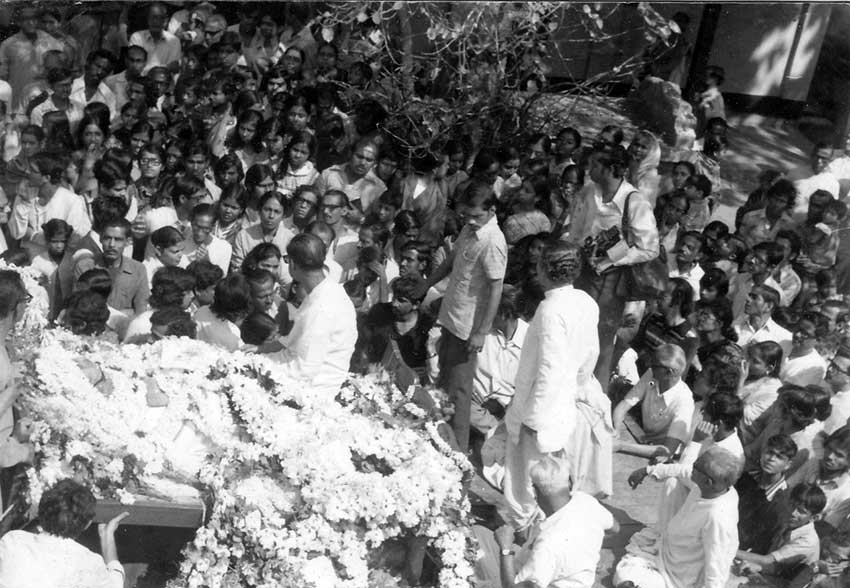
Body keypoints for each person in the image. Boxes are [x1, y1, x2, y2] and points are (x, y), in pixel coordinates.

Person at [503, 241, 611, 528]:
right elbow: (591, 354)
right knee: (552, 473)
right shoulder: (586, 302)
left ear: (543, 269)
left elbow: (549, 368)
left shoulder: (550, 309)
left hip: (542, 408)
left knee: (528, 478)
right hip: (565, 402)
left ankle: (527, 531)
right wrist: (574, 387)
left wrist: (532, 418)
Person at [415, 181, 507, 452]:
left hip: (468, 327)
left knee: (459, 392)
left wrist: (481, 331)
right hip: (452, 318)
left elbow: (496, 287)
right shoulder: (470, 228)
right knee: (445, 383)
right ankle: (440, 439)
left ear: (491, 210)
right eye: (466, 215)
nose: (470, 220)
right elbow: (451, 261)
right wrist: (427, 284)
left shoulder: (493, 241)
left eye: (476, 215)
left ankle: (457, 451)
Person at [569, 143, 660, 394]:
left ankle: (593, 400)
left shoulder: (634, 201)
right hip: (583, 272)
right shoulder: (589, 192)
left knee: (601, 340)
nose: (589, 168)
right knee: (575, 331)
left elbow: (650, 248)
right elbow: (577, 229)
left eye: (596, 164)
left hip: (612, 280)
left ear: (611, 169)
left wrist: (612, 259)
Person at [475, 455, 616, 588]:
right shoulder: (586, 500)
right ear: (569, 482)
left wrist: (505, 549)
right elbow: (615, 528)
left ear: (535, 491)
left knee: (475, 549)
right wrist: (585, 553)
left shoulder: (548, 544)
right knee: (479, 533)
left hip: (533, 579)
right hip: (563, 572)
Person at [614, 446, 742, 588]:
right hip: (664, 550)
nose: (692, 467)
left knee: (627, 580)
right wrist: (647, 470)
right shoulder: (714, 487)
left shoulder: (718, 517)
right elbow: (681, 470)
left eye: (696, 466)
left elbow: (718, 565)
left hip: (680, 577)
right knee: (624, 575)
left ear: (708, 482)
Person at [268, 233, 357, 399]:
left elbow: (303, 369)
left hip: (313, 393)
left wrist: (261, 362)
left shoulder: (321, 307)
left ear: (293, 264)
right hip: (309, 379)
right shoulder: (328, 290)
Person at [0, 479, 128, 587]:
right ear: (88, 524)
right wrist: (107, 537)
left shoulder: (12, 540)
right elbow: (115, 584)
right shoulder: (88, 561)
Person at [612, 344, 694, 461]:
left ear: (669, 372)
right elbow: (624, 404)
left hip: (661, 458)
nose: (649, 366)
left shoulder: (684, 401)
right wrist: (616, 429)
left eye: (655, 365)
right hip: (642, 442)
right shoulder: (651, 374)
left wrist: (621, 445)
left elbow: (667, 451)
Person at [734, 483, 825, 583]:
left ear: (814, 517)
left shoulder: (808, 541)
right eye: (792, 505)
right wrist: (759, 568)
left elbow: (767, 560)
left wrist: (730, 550)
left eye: (801, 511)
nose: (793, 513)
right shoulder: (791, 523)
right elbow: (778, 565)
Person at [470, 285, 528, 435]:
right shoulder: (480, 332)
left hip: (507, 413)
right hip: (474, 406)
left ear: (503, 315)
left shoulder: (531, 341)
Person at [735, 434, 797, 555]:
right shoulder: (746, 477)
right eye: (769, 452)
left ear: (788, 464)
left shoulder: (783, 502)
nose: (771, 459)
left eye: (779, 457)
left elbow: (767, 544)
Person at [0, 5, 63, 114]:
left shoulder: (53, 43)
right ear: (18, 22)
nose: (31, 23)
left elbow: (60, 73)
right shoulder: (8, 45)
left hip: (47, 105)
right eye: (26, 19)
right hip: (17, 104)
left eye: (34, 19)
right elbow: (2, 77)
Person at [734, 284, 793, 355]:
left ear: (769, 306)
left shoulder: (782, 337)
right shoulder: (735, 325)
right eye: (749, 296)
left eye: (754, 297)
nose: (748, 299)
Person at [129, 2, 182, 73]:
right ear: (147, 19)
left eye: (159, 18)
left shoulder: (174, 41)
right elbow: (135, 69)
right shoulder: (137, 37)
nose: (155, 22)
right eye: (152, 18)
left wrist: (146, 69)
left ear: (165, 21)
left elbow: (172, 70)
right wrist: (166, 67)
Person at [182, 203, 231, 275]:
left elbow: (220, 281)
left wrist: (206, 263)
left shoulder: (224, 248)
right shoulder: (181, 241)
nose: (199, 232)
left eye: (206, 228)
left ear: (213, 227)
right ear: (191, 222)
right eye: (197, 226)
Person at [780, 312, 829, 387]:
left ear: (818, 340)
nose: (797, 335)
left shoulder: (815, 367)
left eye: (805, 334)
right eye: (798, 329)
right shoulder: (782, 343)